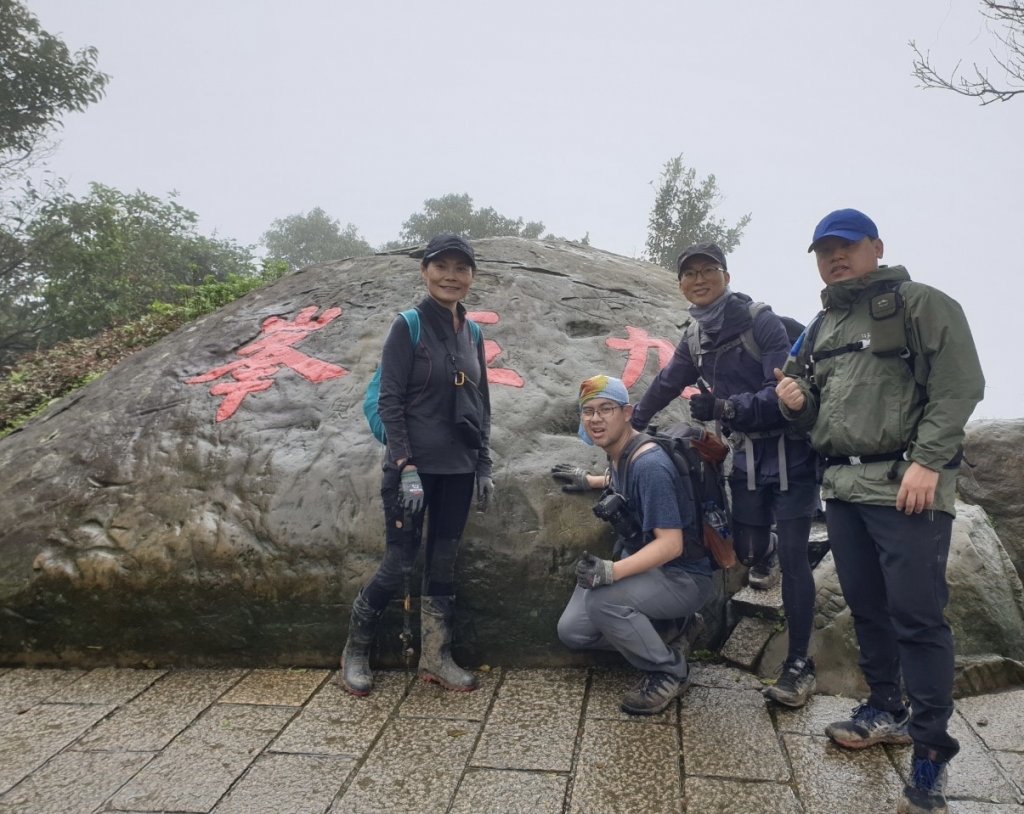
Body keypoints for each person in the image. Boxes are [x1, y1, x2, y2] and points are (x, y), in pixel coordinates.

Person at [774, 209, 984, 814]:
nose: (835, 257)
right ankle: (885, 708)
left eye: (847, 246)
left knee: (918, 618)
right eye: (824, 250)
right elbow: (817, 407)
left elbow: (960, 384)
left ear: (876, 247)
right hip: (842, 488)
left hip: (905, 486)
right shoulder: (820, 324)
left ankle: (930, 753)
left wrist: (927, 462)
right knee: (867, 608)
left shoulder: (920, 304)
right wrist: (797, 401)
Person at [628, 242, 820, 708]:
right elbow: (668, 381)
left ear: (725, 276)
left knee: (795, 562)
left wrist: (726, 407)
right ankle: (766, 550)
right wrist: (632, 426)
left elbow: (782, 391)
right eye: (689, 273)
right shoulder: (696, 337)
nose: (698, 279)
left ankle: (799, 664)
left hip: (791, 456)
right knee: (747, 551)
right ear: (681, 285)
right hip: (746, 460)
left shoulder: (759, 321)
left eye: (707, 270)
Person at [341, 233, 495, 697]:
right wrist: (405, 464)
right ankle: (355, 650)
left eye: (461, 268)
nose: (451, 275)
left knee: (443, 563)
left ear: (471, 276)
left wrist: (483, 464)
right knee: (399, 562)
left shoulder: (473, 333)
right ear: (425, 271)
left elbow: (481, 402)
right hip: (414, 468)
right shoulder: (406, 326)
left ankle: (436, 656)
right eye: (441, 266)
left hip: (458, 468)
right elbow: (390, 400)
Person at [554, 375, 714, 715]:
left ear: (627, 412)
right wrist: (590, 480)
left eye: (605, 409)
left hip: (682, 575)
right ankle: (676, 629)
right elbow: (618, 479)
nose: (595, 419)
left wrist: (610, 572)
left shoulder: (650, 465)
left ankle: (668, 670)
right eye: (588, 411)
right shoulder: (620, 454)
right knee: (572, 632)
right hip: (651, 568)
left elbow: (671, 545)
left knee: (603, 603)